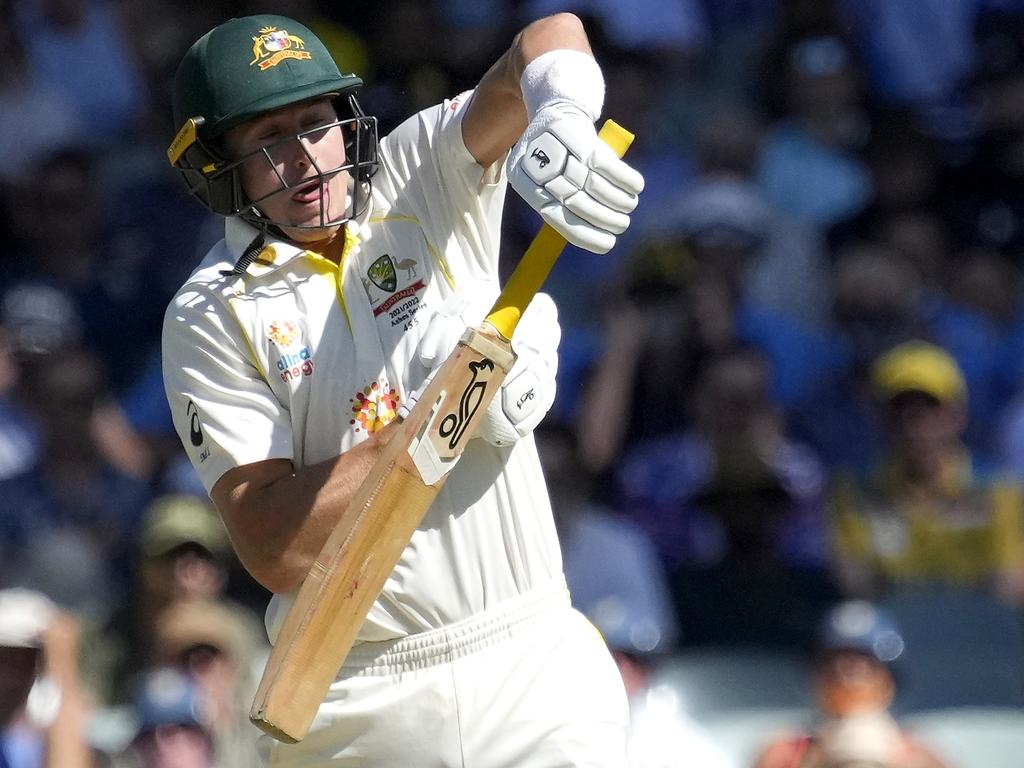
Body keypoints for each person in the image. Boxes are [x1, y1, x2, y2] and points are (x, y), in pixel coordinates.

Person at [161, 12, 643, 766]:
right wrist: (451, 411)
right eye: (267, 142)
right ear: (219, 166)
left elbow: (547, 37)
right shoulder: (211, 314)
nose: (305, 160)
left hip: (532, 660)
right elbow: (275, 547)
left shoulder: (416, 170)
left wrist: (562, 111)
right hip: (357, 695)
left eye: (314, 123)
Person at [830, 340, 1024, 603]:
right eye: (899, 408)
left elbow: (1009, 589)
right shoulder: (855, 493)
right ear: (880, 417)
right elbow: (857, 587)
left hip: (974, 637)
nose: (912, 423)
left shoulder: (997, 492)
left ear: (958, 416)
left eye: (929, 407)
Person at [751, 600, 949, 768]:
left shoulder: (921, 757)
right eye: (832, 663)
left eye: (863, 666)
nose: (845, 675)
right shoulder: (784, 754)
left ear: (889, 681)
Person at [0, 589, 97, 768]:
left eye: (27, 659)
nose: (11, 674)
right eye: (3, 658)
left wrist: (60, 667)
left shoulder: (43, 726)